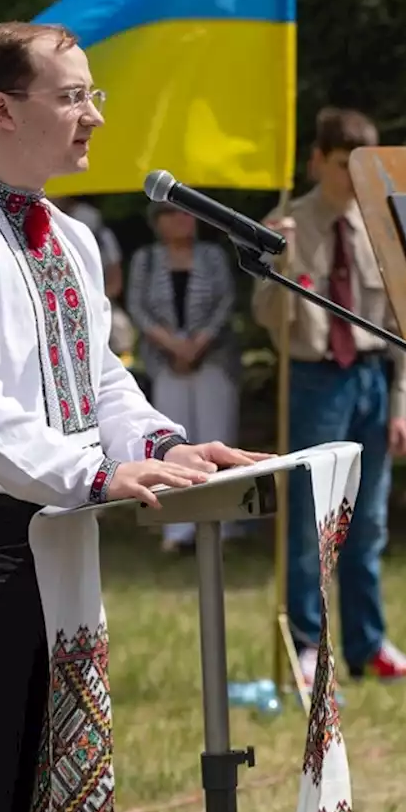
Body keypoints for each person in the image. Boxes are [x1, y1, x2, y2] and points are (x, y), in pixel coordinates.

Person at [0, 21, 268, 812]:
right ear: (2, 110)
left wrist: (162, 445)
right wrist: (92, 475)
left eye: (93, 95)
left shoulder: (74, 239)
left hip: (61, 529)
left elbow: (97, 378)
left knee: (59, 768)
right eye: (74, 96)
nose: (94, 116)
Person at [252, 106, 406, 684]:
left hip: (374, 380)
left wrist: (401, 405)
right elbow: (267, 317)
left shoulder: (378, 225)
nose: (350, 178)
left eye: (361, 166)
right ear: (316, 160)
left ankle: (368, 643)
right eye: (340, 165)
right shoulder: (285, 221)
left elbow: (400, 325)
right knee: (312, 518)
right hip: (314, 381)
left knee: (370, 521)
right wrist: (279, 263)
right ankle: (308, 643)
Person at [127, 202, 241, 553]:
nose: (183, 220)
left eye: (188, 213)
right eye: (174, 214)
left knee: (216, 438)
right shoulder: (145, 259)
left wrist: (198, 343)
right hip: (165, 363)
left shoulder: (212, 256)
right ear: (158, 222)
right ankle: (177, 533)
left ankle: (224, 524)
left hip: (213, 360)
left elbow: (226, 302)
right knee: (172, 445)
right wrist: (174, 346)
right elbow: (138, 307)